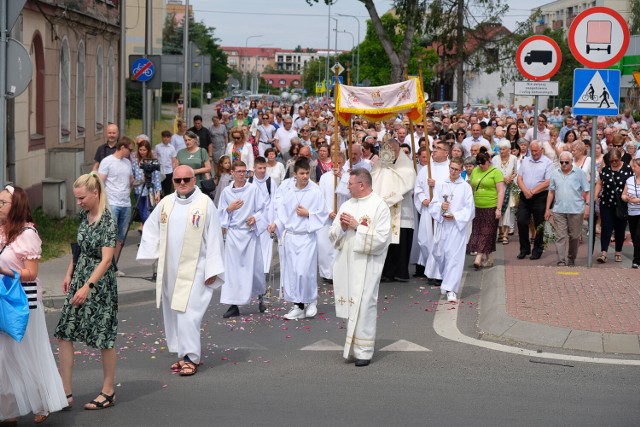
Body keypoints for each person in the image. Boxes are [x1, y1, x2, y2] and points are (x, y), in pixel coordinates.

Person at [136, 165, 225, 376]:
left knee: (189, 313)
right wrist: (152, 252)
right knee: (176, 311)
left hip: (197, 269)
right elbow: (150, 226)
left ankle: (190, 357)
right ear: (173, 182)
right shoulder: (166, 203)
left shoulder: (204, 204)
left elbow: (214, 236)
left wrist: (213, 268)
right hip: (171, 269)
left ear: (194, 180)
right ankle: (183, 353)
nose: (183, 183)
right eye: (178, 180)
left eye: (187, 179)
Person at [0, 185, 67, 424]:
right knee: (4, 357)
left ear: (15, 206)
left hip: (23, 303)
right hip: (3, 300)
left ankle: (43, 402)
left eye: (3, 203)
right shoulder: (2, 231)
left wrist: (4, 271)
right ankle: (7, 411)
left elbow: (31, 272)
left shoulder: (27, 234)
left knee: (28, 353)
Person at [54, 173, 118, 410]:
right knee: (64, 332)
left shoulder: (108, 221)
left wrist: (87, 286)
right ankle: (65, 391)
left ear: (95, 193)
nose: (78, 202)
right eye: (76, 198)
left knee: (103, 336)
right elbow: (78, 248)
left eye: (82, 198)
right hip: (81, 276)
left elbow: (107, 260)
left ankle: (108, 391)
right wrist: (69, 273)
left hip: (99, 284)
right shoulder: (84, 215)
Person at [329, 169, 391, 367]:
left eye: (350, 184)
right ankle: (353, 348)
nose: (347, 187)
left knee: (364, 304)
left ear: (362, 185)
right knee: (351, 303)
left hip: (367, 264)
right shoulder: (347, 204)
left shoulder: (379, 206)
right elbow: (332, 233)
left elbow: (382, 239)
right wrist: (342, 228)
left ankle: (364, 350)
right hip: (347, 262)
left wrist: (358, 226)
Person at [268, 159, 328, 320]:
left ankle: (311, 301)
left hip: (306, 237)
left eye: (307, 173)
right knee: (293, 272)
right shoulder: (289, 193)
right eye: (301, 173)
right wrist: (275, 224)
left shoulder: (315, 191)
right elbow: (283, 215)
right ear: (295, 174)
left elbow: (322, 213)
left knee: (304, 271)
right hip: (291, 237)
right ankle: (298, 305)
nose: (305, 176)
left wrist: (308, 213)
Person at [217, 161, 268, 318]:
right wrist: (229, 209)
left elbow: (263, 208)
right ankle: (233, 304)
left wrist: (255, 217)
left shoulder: (253, 189)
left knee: (254, 269)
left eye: (244, 171)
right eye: (238, 171)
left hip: (249, 233)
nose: (241, 174)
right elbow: (219, 213)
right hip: (234, 234)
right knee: (233, 271)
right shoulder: (226, 192)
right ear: (232, 173)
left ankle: (260, 296)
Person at [427, 157, 475, 302]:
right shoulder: (441, 184)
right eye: (451, 168)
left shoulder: (465, 187)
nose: (453, 172)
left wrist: (455, 216)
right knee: (439, 254)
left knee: (454, 257)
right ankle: (446, 279)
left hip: (456, 227)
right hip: (442, 225)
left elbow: (470, 209)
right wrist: (441, 207)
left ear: (461, 170)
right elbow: (433, 204)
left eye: (456, 169)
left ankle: (451, 289)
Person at [544, 151, 590, 266]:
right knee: (561, 236)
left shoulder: (579, 173)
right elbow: (551, 192)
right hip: (559, 210)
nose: (564, 164)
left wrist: (588, 206)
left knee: (574, 236)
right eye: (561, 162)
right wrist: (547, 209)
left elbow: (587, 191)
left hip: (576, 210)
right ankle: (561, 260)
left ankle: (571, 258)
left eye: (566, 162)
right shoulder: (555, 173)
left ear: (571, 162)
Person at [467, 147, 505, 269]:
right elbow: (472, 188)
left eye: (483, 163)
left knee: (486, 232)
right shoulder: (475, 171)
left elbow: (500, 191)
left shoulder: (496, 172)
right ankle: (489, 258)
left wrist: (498, 209)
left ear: (489, 161)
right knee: (478, 232)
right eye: (479, 163)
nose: (481, 166)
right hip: (477, 206)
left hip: (491, 206)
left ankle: (478, 257)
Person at [98, 137, 134, 264]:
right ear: (122, 147)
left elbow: (131, 181)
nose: (131, 152)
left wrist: (128, 190)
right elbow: (100, 182)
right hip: (112, 203)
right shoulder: (107, 161)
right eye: (130, 149)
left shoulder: (128, 162)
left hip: (126, 203)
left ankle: (114, 265)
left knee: (120, 237)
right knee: (109, 235)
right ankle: (105, 263)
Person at [595, 149, 634, 263]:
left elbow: (631, 183)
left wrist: (627, 196)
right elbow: (599, 183)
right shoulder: (606, 169)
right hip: (606, 203)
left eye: (616, 161)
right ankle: (603, 253)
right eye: (611, 161)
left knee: (620, 228)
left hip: (621, 204)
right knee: (606, 227)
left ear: (620, 159)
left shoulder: (627, 169)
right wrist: (595, 196)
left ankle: (618, 252)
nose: (614, 163)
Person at [516, 140, 553, 260]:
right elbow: (519, 178)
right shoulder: (525, 160)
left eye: (536, 150)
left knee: (539, 225)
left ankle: (537, 250)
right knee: (521, 221)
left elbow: (548, 182)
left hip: (540, 197)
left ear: (541, 150)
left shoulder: (548, 162)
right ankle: (524, 248)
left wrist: (532, 191)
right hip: (525, 195)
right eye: (532, 150)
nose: (534, 153)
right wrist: (526, 191)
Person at [318, 152, 348, 282]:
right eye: (334, 163)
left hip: (341, 214)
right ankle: (326, 273)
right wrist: (329, 211)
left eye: (339, 163)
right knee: (325, 245)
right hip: (327, 215)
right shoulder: (325, 178)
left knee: (339, 244)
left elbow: (348, 194)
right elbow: (321, 197)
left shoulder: (347, 177)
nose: (336, 166)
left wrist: (342, 178)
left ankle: (337, 273)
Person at [251, 156, 279, 280]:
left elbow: (274, 202)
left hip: (267, 219)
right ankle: (254, 269)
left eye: (264, 168)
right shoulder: (250, 182)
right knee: (254, 246)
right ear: (254, 168)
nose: (262, 170)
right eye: (259, 168)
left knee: (266, 247)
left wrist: (273, 221)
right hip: (255, 220)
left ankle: (264, 271)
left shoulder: (270, 182)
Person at [491, 139, 518, 244]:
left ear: (508, 150)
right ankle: (500, 233)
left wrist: (510, 178)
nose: (501, 151)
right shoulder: (495, 159)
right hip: (498, 187)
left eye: (503, 149)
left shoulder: (514, 159)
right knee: (499, 208)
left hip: (509, 187)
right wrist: (502, 178)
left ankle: (506, 234)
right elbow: (493, 172)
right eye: (500, 149)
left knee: (507, 210)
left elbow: (515, 172)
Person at [132, 139, 162, 227]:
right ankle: (145, 231)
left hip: (150, 191)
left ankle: (147, 230)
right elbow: (132, 177)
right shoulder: (135, 161)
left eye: (144, 150)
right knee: (141, 213)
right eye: (140, 150)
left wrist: (158, 192)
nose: (142, 152)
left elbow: (157, 178)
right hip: (138, 191)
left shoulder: (154, 161)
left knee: (147, 214)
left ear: (148, 150)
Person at [621, 158, 640, 268]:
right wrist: (627, 198)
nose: (633, 169)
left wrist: (637, 200)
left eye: (635, 167)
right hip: (632, 212)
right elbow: (623, 195)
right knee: (634, 236)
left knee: (638, 235)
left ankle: (636, 260)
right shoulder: (629, 180)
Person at [154, 130, 178, 196]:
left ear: (170, 138)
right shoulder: (157, 147)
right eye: (164, 137)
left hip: (169, 171)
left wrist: (174, 172)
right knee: (159, 189)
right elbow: (155, 158)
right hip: (160, 172)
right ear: (162, 137)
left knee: (168, 190)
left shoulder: (172, 148)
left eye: (167, 137)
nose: (166, 138)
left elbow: (174, 160)